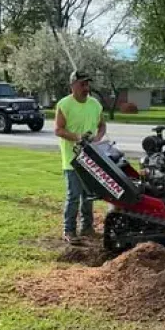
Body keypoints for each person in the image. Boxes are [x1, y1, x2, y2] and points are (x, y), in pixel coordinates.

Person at [55, 70, 106, 243]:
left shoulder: (95, 104)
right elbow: (58, 130)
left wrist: (98, 138)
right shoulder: (64, 104)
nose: (86, 88)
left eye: (87, 84)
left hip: (90, 159)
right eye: (82, 84)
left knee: (88, 195)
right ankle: (69, 230)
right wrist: (78, 137)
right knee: (74, 195)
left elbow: (102, 125)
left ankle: (87, 227)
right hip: (72, 160)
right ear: (73, 86)